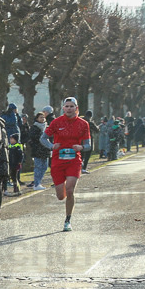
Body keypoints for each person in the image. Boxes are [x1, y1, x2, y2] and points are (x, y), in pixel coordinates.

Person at [41, 97, 91, 232]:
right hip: (58, 161)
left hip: (74, 161)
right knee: (60, 196)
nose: (69, 109)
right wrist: (52, 146)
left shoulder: (83, 124)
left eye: (72, 106)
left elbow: (88, 145)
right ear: (63, 108)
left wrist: (81, 147)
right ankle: (61, 191)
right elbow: (43, 138)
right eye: (67, 106)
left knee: (70, 190)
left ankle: (67, 220)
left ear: (77, 108)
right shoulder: (56, 122)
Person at [28, 111, 50, 189]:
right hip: (37, 150)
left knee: (45, 167)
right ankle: (36, 184)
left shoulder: (47, 127)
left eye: (43, 117)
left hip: (46, 149)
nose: (42, 119)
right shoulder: (34, 127)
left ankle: (38, 182)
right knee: (38, 167)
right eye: (41, 117)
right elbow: (33, 138)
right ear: (37, 118)